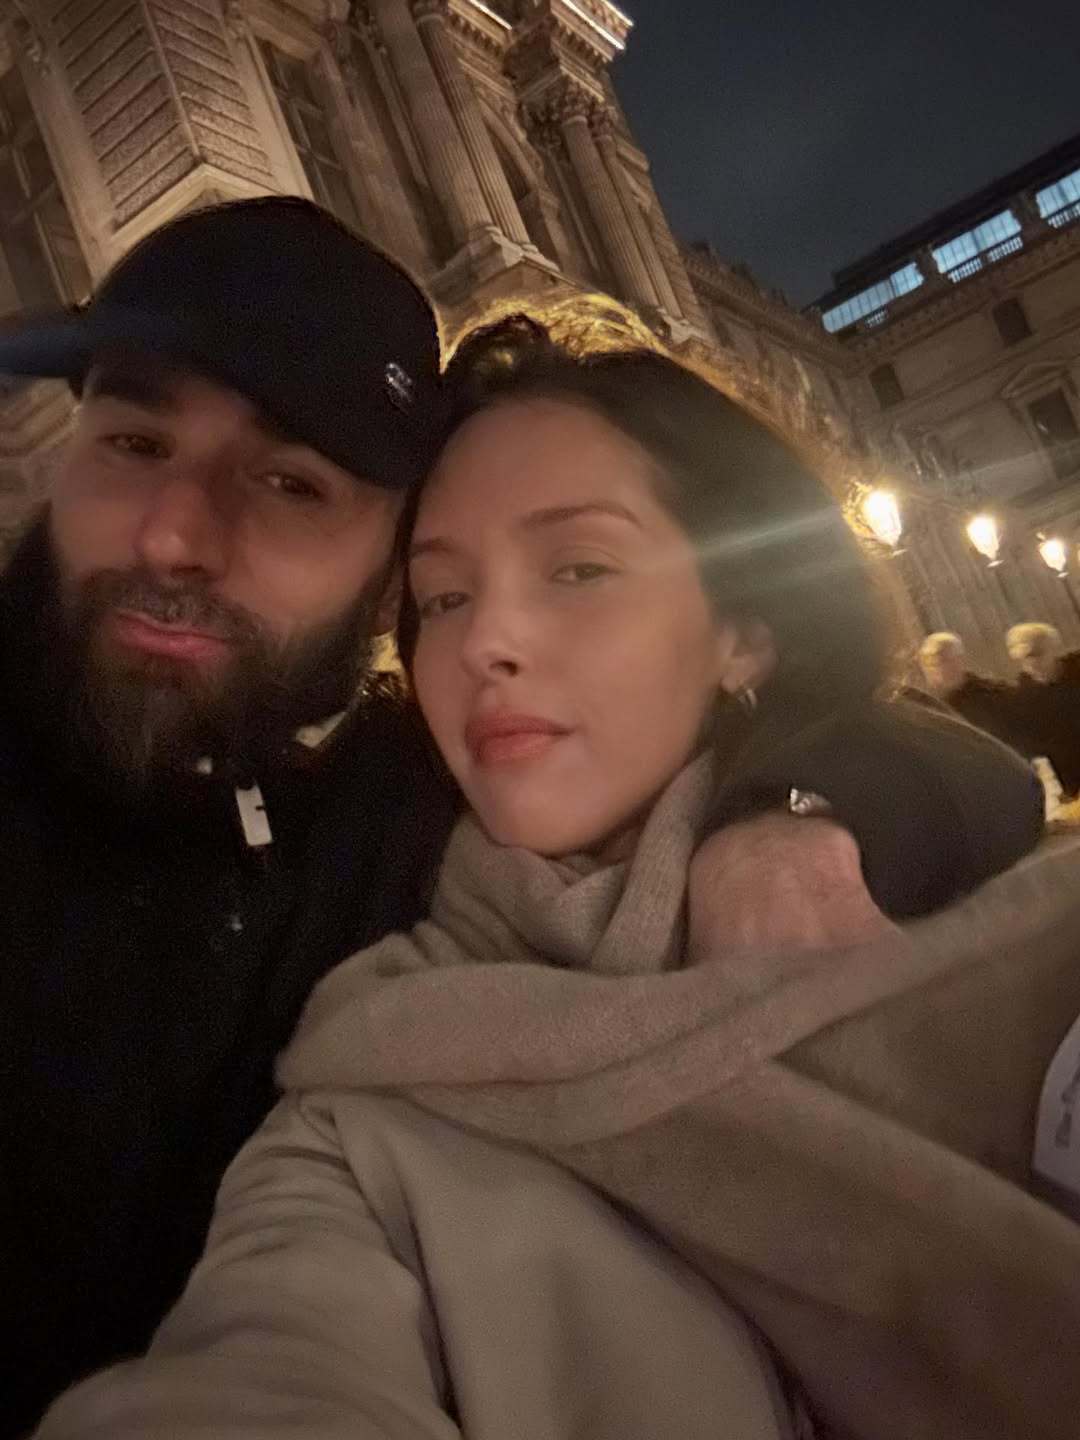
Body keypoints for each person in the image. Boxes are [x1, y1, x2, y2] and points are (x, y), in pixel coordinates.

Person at [33, 319, 1073, 1440]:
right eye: (442, 597)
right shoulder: (366, 1093)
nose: (489, 641)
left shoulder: (992, 910)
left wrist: (796, 812)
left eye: (578, 568)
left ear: (745, 633)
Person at [1007, 622, 1080, 795]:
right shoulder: (1021, 696)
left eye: (1037, 654)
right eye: (1025, 658)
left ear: (1054, 648)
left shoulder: (1076, 669)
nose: (1032, 663)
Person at [916, 630, 1020, 742]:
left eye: (944, 661)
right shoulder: (925, 707)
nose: (939, 670)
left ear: (960, 660)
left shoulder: (996, 694)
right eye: (931, 665)